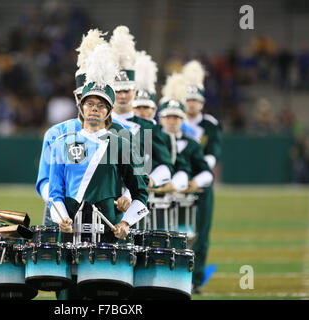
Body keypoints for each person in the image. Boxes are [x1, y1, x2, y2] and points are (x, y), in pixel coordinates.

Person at [48, 44, 149, 300]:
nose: (94, 108)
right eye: (89, 103)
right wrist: (60, 217)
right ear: (81, 107)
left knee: (105, 296)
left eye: (101, 105)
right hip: (70, 231)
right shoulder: (62, 142)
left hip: (108, 232)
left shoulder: (123, 144)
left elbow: (142, 194)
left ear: (109, 111)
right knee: (68, 297)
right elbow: (55, 193)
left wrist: (126, 222)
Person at [35, 29, 132, 226]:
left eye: (99, 102)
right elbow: (44, 181)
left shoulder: (123, 134)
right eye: (85, 99)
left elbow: (138, 179)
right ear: (77, 98)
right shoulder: (56, 133)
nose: (90, 107)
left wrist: (128, 198)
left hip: (109, 216)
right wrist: (61, 210)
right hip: (62, 213)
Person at [109, 26, 184, 190]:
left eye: (126, 90)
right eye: (117, 91)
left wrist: (151, 180)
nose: (122, 95)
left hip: (136, 201)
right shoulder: (100, 124)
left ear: (134, 92)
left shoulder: (147, 127)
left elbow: (165, 166)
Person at [182, 60, 222, 294]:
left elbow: (213, 154)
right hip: (175, 184)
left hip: (201, 183)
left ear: (203, 102)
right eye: (188, 99)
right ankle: (173, 273)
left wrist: (197, 175)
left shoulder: (210, 124)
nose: (192, 104)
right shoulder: (173, 119)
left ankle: (196, 279)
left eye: (196, 100)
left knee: (201, 231)